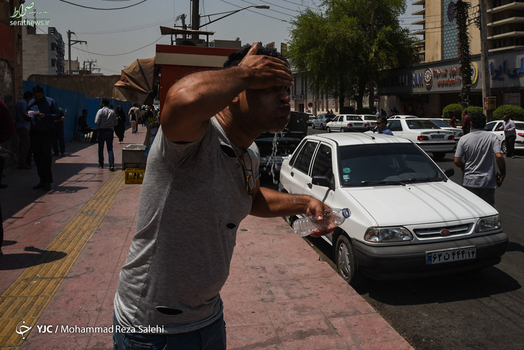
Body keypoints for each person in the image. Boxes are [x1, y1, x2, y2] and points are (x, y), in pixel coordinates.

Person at [112, 42, 334, 350]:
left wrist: (304, 203)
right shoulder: (193, 138)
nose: (285, 97)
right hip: (153, 329)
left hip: (209, 318)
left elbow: (251, 197)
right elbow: (180, 100)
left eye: (286, 88)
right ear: (234, 92)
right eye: (270, 87)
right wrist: (244, 73)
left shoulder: (250, 154)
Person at [454, 112, 506, 206]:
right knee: (487, 209)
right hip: (487, 181)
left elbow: (457, 160)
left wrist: (463, 166)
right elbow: (499, 156)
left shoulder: (464, 139)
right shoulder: (492, 137)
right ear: (485, 124)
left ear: (471, 124)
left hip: (469, 180)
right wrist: (503, 174)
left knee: (471, 208)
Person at [27, 85, 59, 192]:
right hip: (35, 133)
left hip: (46, 133)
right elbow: (26, 116)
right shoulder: (31, 103)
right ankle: (41, 179)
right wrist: (27, 115)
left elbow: (57, 115)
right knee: (37, 157)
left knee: (46, 157)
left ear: (43, 93)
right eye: (36, 96)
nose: (38, 98)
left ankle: (47, 182)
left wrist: (45, 116)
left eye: (40, 96)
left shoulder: (51, 102)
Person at [95, 98, 117, 171]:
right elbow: (115, 123)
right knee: (110, 148)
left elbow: (96, 122)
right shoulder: (113, 112)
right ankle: (111, 164)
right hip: (110, 131)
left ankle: (101, 164)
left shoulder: (100, 111)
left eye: (101, 102)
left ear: (103, 103)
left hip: (101, 131)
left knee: (101, 148)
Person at [15, 91, 33, 169]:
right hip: (23, 126)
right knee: (25, 145)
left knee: (23, 145)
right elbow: (26, 114)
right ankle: (22, 163)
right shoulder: (23, 103)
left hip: (22, 126)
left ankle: (22, 162)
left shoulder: (22, 102)